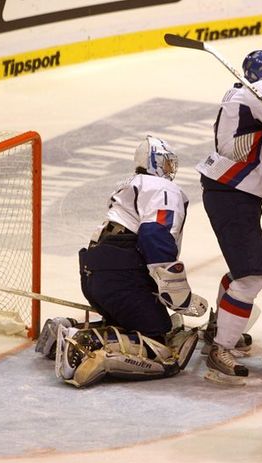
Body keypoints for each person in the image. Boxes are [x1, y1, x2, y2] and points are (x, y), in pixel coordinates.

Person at [64, 135, 205, 387]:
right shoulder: (164, 188)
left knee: (129, 324)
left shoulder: (128, 185)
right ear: (156, 162)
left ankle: (63, 331)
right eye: (168, 163)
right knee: (160, 344)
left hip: (94, 272)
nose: (171, 170)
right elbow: (155, 235)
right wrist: (179, 295)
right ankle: (88, 342)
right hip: (121, 275)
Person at [195, 50, 262, 384]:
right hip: (232, 192)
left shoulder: (241, 95)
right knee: (250, 276)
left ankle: (218, 330)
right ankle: (220, 348)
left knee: (242, 271)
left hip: (230, 191)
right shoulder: (259, 91)